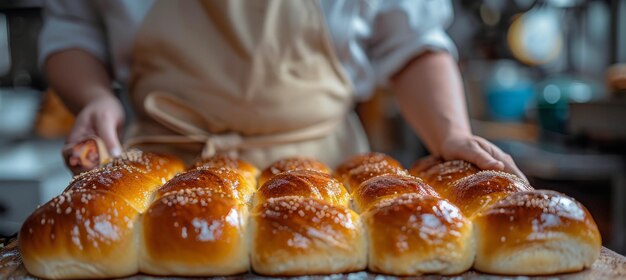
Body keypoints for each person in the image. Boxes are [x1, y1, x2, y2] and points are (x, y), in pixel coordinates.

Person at [40, 0, 524, 177]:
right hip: (167, 174)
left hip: (328, 178)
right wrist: (95, 96)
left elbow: (413, 41)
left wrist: (450, 134)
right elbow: (72, 31)